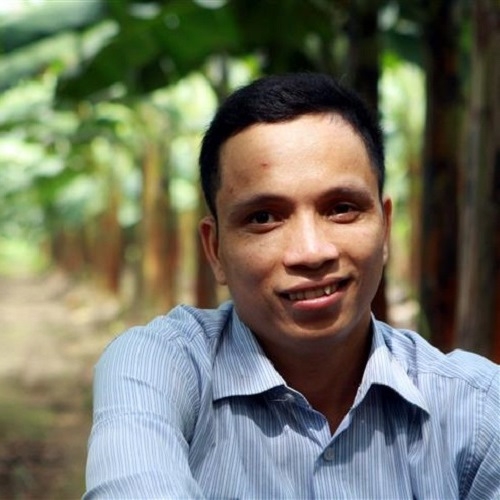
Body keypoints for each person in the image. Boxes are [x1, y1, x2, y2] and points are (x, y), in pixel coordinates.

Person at [84, 73, 499, 499]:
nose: (311, 252)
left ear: (385, 228)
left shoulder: (478, 408)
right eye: (263, 218)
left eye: (341, 208)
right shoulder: (159, 367)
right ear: (215, 250)